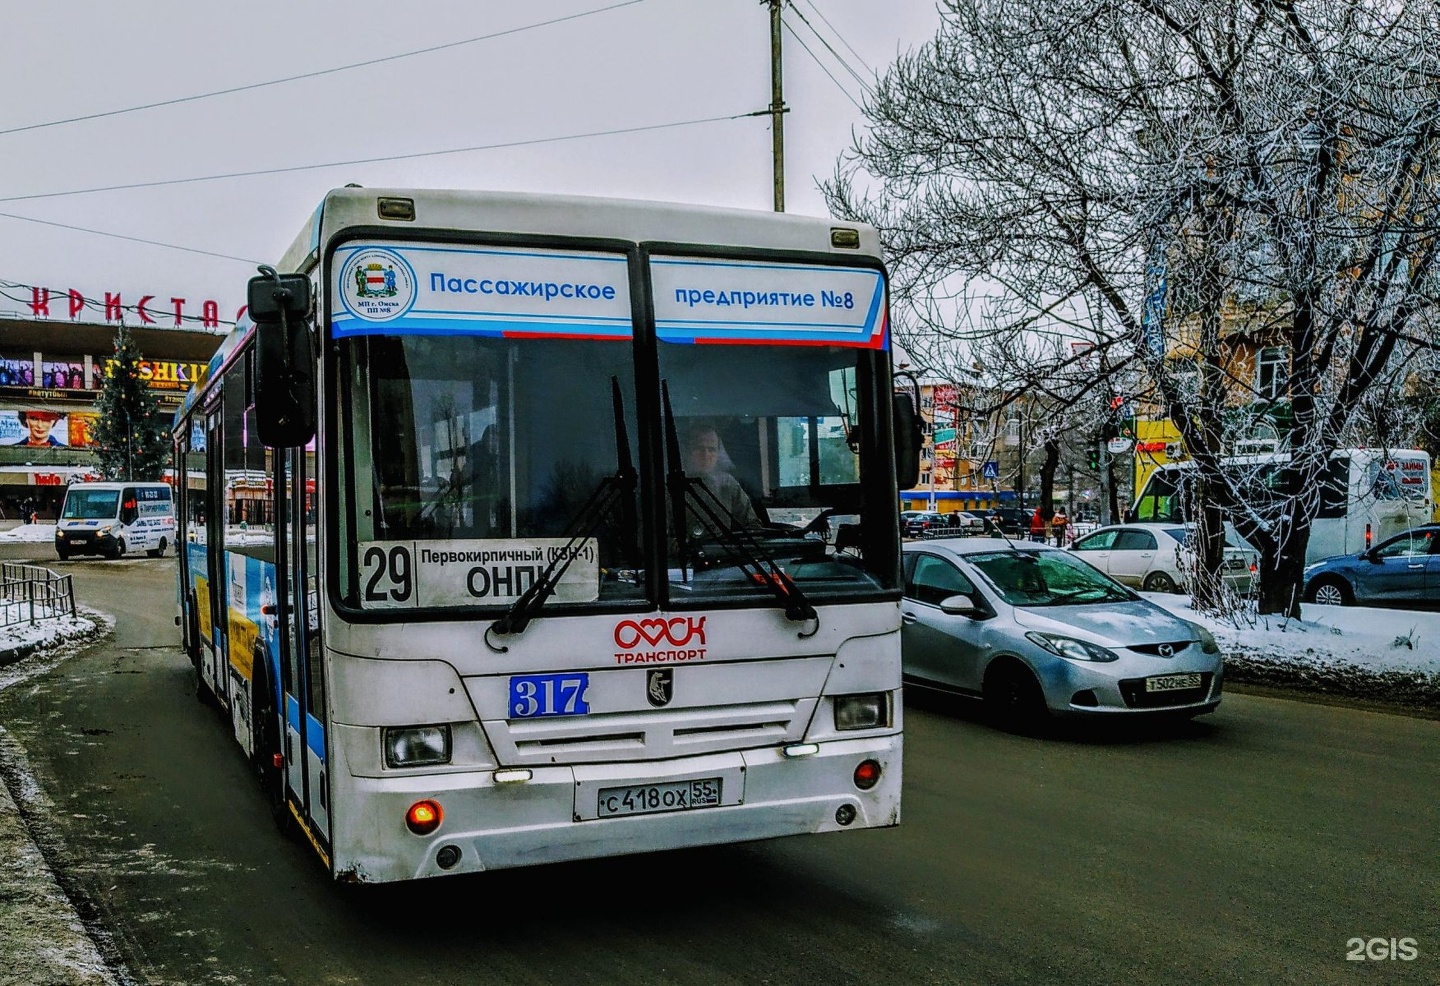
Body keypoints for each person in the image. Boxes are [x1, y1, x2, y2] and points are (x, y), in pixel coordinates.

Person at [683, 424, 760, 534]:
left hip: (721, 549)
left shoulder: (728, 484)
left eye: (712, 450)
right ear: (687, 451)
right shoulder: (672, 486)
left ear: (718, 453)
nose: (706, 455)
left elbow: (752, 525)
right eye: (699, 448)